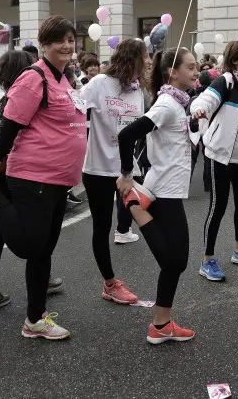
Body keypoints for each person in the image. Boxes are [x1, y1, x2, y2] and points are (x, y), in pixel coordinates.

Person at [0, 15, 86, 339]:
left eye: (71, 39)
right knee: (29, 246)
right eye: (59, 40)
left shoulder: (64, 78)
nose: (67, 45)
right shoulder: (34, 78)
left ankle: (35, 319)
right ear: (43, 45)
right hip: (33, 176)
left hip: (59, 180)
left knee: (43, 252)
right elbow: (9, 129)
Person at [116, 47, 199, 344]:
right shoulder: (167, 104)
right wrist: (126, 175)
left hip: (169, 187)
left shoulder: (178, 103)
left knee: (175, 262)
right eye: (190, 67)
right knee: (175, 262)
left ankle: (161, 325)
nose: (196, 70)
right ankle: (136, 208)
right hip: (164, 191)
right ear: (172, 72)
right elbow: (126, 135)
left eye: (196, 66)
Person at [81, 39, 148, 305]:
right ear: (133, 58)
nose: (149, 61)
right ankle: (109, 283)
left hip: (127, 170)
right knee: (101, 226)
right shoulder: (99, 84)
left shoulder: (138, 91)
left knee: (148, 215)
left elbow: (135, 130)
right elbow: (74, 112)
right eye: (145, 56)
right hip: (98, 168)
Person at [190, 40, 238, 281]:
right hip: (220, 156)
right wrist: (198, 109)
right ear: (234, 60)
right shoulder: (226, 81)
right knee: (218, 207)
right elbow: (204, 100)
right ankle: (207, 260)